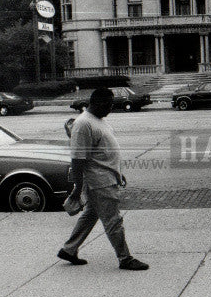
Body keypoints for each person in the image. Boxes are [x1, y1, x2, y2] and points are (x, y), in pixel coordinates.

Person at [57, 88, 149, 271]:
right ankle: (125, 258)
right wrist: (78, 186)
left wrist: (117, 172)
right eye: (109, 105)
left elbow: (104, 152)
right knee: (113, 220)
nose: (111, 109)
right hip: (99, 182)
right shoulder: (83, 124)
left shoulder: (99, 120)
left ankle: (69, 249)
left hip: (107, 176)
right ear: (96, 103)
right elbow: (77, 159)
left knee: (91, 214)